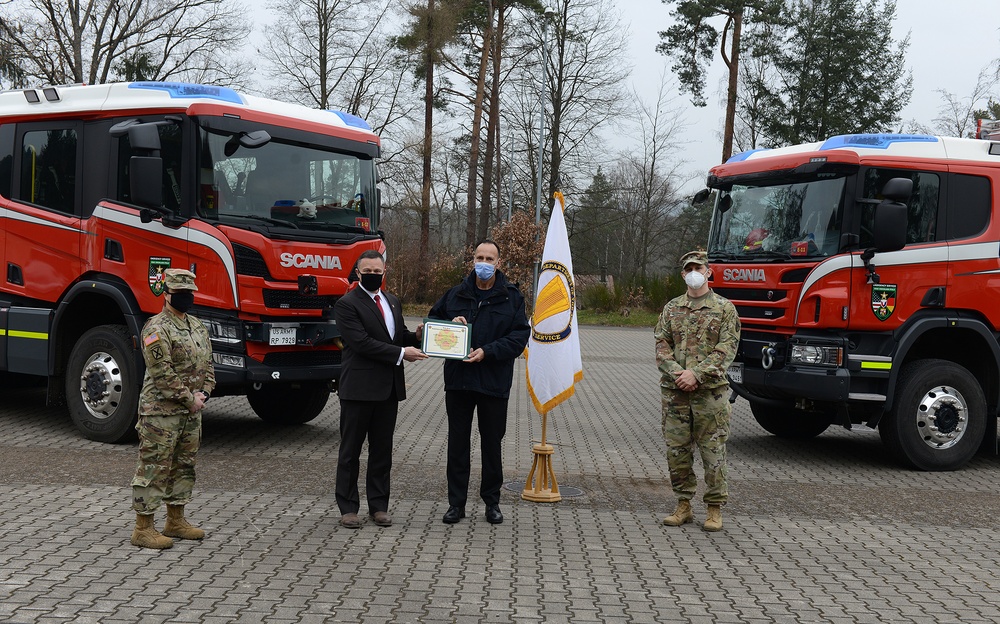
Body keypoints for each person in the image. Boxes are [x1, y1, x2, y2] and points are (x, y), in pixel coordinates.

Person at [428, 240, 530, 525]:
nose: (483, 262)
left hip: (493, 383)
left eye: (489, 258)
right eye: (479, 257)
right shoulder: (455, 294)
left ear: (499, 263)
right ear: (472, 259)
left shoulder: (511, 297)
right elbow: (431, 325)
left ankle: (492, 502)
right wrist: (451, 325)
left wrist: (488, 351)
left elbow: (519, 337)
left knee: (492, 445)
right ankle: (456, 504)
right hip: (459, 382)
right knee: (457, 445)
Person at [333, 250, 426, 529]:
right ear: (358, 273)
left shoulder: (393, 302)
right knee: (350, 451)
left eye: (378, 271)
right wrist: (401, 353)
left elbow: (396, 337)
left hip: (388, 390)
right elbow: (361, 343)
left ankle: (379, 506)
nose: (373, 275)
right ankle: (348, 508)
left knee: (382, 451)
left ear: (384, 273)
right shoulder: (347, 304)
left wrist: (419, 336)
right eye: (368, 271)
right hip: (359, 389)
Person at [654, 250, 740, 532]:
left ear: (708, 271)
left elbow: (726, 349)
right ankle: (683, 505)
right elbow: (661, 345)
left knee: (713, 453)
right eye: (688, 268)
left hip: (710, 395)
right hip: (676, 393)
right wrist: (679, 374)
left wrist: (696, 375)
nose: (693, 272)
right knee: (676, 452)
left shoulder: (724, 309)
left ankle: (714, 509)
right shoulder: (671, 308)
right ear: (683, 274)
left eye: (698, 267)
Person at [130, 268, 216, 549]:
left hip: (190, 413)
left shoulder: (197, 326)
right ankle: (143, 528)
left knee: (183, 466)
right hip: (160, 413)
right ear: (166, 294)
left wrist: (204, 392)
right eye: (180, 293)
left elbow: (208, 365)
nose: (186, 298)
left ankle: (175, 520)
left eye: (189, 293)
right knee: (155, 467)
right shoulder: (156, 328)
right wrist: (190, 398)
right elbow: (161, 373)